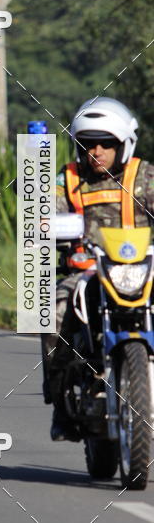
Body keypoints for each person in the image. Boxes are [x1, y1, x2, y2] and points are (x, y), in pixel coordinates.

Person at [43, 97, 154, 441]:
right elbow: (46, 218)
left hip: (142, 270)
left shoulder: (146, 176)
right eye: (89, 144)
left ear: (124, 145)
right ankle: (62, 403)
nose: (98, 151)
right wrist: (45, 227)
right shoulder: (67, 178)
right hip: (86, 273)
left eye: (107, 143)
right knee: (53, 313)